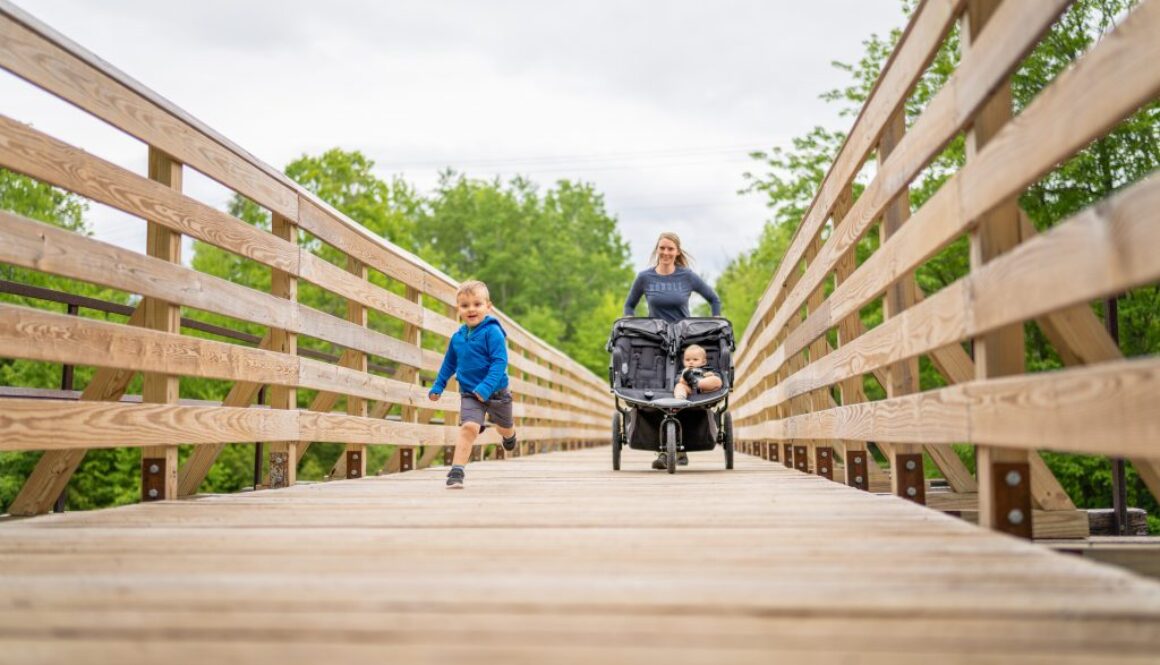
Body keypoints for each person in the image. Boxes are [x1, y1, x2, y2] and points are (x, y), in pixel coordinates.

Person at [428, 280, 518, 489]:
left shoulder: (492, 332)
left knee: (504, 428)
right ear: (458, 309)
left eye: (477, 304)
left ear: (488, 306)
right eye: (465, 305)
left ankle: (510, 434)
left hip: (496, 393)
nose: (471, 309)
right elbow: (449, 364)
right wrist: (438, 386)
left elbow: (499, 362)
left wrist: (485, 388)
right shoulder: (457, 338)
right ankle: (457, 471)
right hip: (470, 394)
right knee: (468, 428)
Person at [623, 231, 722, 322]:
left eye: (670, 249)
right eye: (662, 248)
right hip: (655, 337)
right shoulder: (644, 277)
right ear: (657, 249)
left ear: (677, 252)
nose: (665, 252)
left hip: (684, 336)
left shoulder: (688, 276)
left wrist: (716, 320)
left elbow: (714, 299)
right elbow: (629, 305)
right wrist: (630, 323)